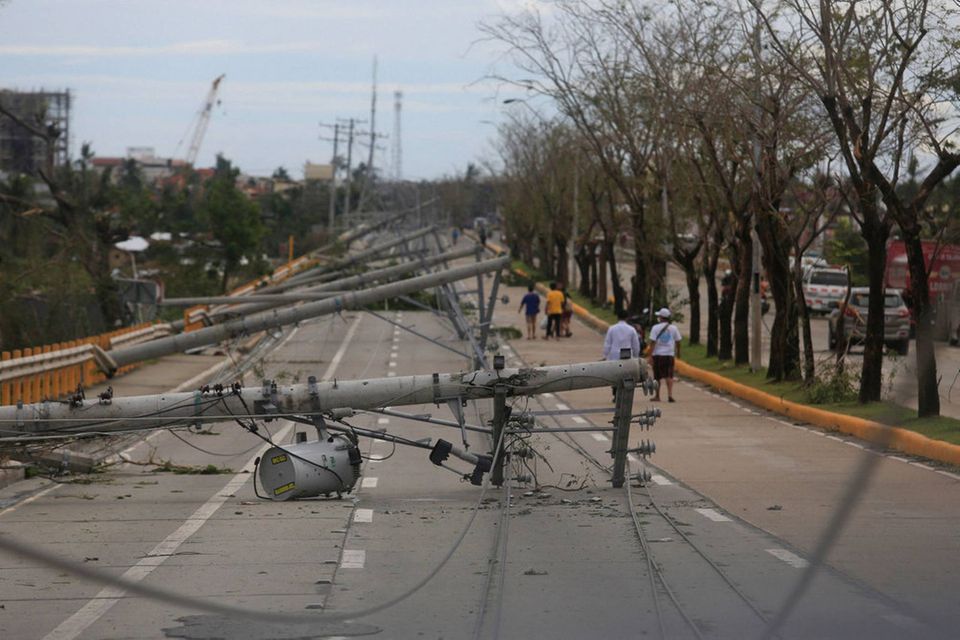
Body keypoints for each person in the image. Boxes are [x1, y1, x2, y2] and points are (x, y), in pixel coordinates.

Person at [648, 307, 682, 402]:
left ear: (661, 317)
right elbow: (678, 341)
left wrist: (650, 356)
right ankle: (670, 395)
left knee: (657, 376)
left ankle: (657, 396)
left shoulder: (655, 328)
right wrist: (678, 353)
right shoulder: (674, 328)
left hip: (657, 355)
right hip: (669, 355)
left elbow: (652, 343)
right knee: (669, 375)